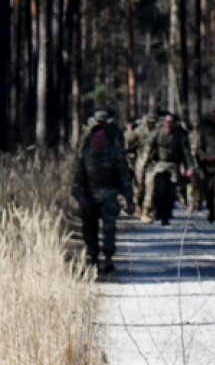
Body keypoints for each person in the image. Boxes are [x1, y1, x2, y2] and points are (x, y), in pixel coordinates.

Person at [71, 124, 135, 272]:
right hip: (89, 197)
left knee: (109, 227)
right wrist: (80, 197)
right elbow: (76, 181)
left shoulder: (114, 155)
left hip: (109, 195)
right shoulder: (84, 155)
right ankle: (93, 257)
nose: (97, 141)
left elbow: (124, 179)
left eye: (100, 138)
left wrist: (129, 200)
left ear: (105, 139)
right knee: (89, 230)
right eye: (95, 138)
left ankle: (108, 258)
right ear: (91, 139)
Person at [137, 113, 195, 224]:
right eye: (167, 122)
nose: (168, 125)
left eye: (171, 122)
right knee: (153, 188)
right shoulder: (156, 134)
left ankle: (166, 214)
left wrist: (189, 167)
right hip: (157, 165)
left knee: (171, 190)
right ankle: (148, 211)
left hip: (173, 165)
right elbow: (147, 151)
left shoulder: (180, 135)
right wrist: (143, 168)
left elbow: (186, 153)